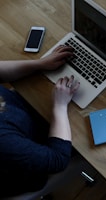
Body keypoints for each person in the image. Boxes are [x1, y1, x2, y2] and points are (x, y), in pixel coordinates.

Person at [0, 45, 80, 197]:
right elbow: (58, 159)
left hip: (22, 114)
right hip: (35, 162)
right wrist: (60, 106)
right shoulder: (4, 143)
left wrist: (39, 63)